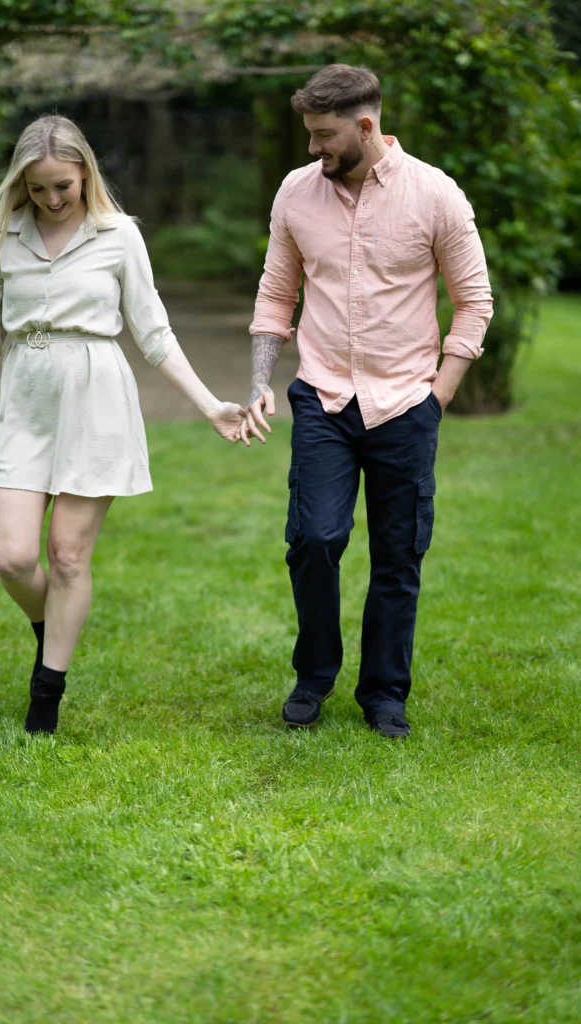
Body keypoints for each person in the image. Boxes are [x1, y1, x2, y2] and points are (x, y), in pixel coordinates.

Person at [0, 114, 244, 735]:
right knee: (13, 560)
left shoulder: (119, 235)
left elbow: (153, 331)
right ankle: (51, 630)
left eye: (63, 185)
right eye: (39, 189)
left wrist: (208, 404)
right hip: (24, 402)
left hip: (96, 399)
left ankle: (46, 700)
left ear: (85, 173)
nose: (53, 199)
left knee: (66, 557)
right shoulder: (3, 233)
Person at [241, 65, 493, 737]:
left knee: (397, 555)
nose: (310, 149)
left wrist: (435, 399)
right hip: (321, 397)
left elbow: (473, 304)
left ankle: (384, 693)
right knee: (314, 539)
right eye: (307, 134)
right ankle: (314, 674)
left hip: (405, 403)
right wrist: (261, 381)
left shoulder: (435, 195)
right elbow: (275, 294)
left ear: (365, 126)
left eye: (323, 136)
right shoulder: (296, 193)